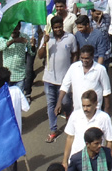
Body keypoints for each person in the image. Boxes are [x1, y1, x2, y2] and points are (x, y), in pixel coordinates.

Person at [42, 15, 78, 143]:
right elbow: (40, 55)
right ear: (52, 28)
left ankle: (69, 115)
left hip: (65, 79)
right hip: (49, 78)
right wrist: (45, 43)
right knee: (51, 104)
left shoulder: (70, 38)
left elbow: (74, 54)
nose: (57, 29)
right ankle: (53, 130)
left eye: (59, 27)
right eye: (55, 27)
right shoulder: (47, 38)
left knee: (66, 102)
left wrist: (72, 70)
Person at [65, 93, 112, 166]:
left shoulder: (104, 118)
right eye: (83, 106)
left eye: (88, 106)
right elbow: (70, 138)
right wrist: (65, 161)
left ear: (95, 104)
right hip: (77, 161)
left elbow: (110, 141)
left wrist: (108, 161)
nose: (85, 109)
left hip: (97, 160)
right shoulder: (75, 115)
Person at [59, 45, 112, 112]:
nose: (84, 60)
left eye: (87, 58)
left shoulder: (100, 69)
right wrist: (59, 102)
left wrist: (106, 109)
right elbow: (65, 85)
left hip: (94, 111)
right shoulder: (74, 67)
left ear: (92, 57)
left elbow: (106, 91)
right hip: (77, 110)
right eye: (82, 58)